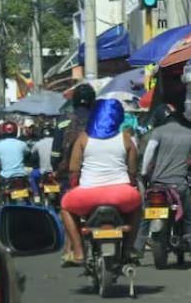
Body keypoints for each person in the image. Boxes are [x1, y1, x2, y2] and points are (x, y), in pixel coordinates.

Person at [59, 99, 142, 266]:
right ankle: (128, 249)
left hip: (87, 194)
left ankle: (78, 251)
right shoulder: (125, 138)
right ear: (118, 117)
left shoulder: (83, 138)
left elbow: (73, 169)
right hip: (121, 195)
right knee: (137, 206)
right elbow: (133, 171)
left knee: (65, 207)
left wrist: (76, 186)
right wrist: (130, 183)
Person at [137, 86, 191, 268]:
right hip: (180, 186)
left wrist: (144, 173)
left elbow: (149, 153)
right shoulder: (189, 133)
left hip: (158, 186)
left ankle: (136, 250)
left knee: (145, 217)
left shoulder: (158, 132)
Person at [51, 84, 96, 178]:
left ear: (74, 99)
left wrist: (55, 168)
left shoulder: (63, 120)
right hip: (94, 172)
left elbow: (55, 152)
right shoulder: (99, 120)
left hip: (69, 173)